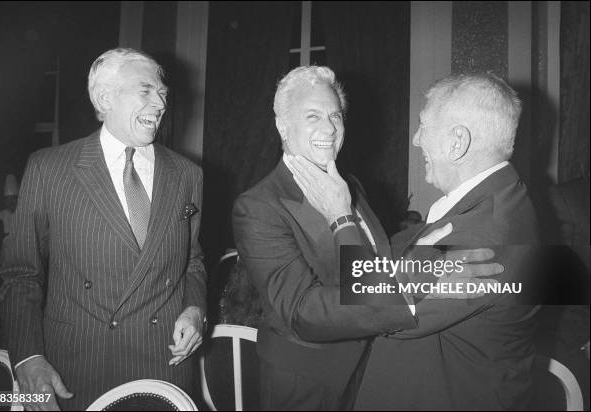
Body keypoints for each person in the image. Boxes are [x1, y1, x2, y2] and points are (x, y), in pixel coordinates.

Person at [232, 66, 502, 411]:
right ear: (282, 126)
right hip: (307, 380)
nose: (329, 128)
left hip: (369, 366)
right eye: (312, 116)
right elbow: (302, 312)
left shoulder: (350, 185)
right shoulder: (257, 206)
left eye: (336, 115)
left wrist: (428, 237)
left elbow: (375, 253)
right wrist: (409, 283)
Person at [290, 73, 541, 410]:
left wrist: (340, 215)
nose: (416, 139)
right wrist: (413, 269)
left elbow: (376, 310)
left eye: (424, 126)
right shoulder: (504, 199)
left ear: (457, 142)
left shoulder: (480, 236)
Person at [0, 48, 206, 411]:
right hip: (75, 372)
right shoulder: (50, 169)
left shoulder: (187, 173)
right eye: (146, 90)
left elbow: (193, 262)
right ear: (104, 97)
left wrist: (194, 308)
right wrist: (28, 358)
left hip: (164, 370)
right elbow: (21, 275)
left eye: (163, 93)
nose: (160, 103)